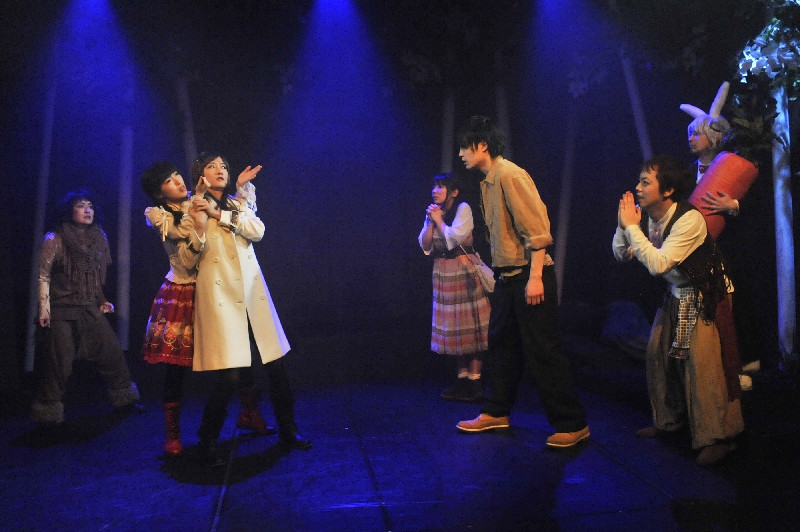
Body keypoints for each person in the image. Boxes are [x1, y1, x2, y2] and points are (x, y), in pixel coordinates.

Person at [454, 116, 589, 448]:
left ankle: (572, 424)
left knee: (543, 351)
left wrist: (536, 277)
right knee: (501, 348)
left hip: (530, 274)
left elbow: (537, 230)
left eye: (465, 147)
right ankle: (496, 411)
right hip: (508, 278)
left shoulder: (510, 175)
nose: (460, 154)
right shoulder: (488, 181)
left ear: (482, 145)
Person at [612, 155, 744, 466]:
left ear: (668, 190)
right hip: (676, 293)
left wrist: (631, 228)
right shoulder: (648, 217)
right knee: (657, 354)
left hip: (704, 295)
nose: (638, 187)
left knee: (703, 367)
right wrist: (623, 226)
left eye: (646, 182)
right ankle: (669, 422)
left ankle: (719, 438)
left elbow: (658, 264)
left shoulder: (688, 220)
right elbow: (621, 255)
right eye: (640, 180)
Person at [140, 161, 274, 457]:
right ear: (159, 192)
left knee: (239, 354)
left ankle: (249, 412)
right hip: (183, 291)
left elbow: (237, 212)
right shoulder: (158, 214)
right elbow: (182, 234)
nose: (178, 181)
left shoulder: (198, 199)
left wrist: (241, 188)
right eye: (168, 180)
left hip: (214, 287)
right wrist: (198, 206)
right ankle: (173, 433)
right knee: (177, 366)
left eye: (177, 175)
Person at [190, 151, 311, 466]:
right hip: (222, 298)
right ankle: (207, 440)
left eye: (223, 165)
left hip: (251, 292)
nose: (220, 169)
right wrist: (203, 214)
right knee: (229, 376)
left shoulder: (235, 204)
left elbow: (257, 231)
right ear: (200, 174)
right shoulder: (194, 206)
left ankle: (289, 430)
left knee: (276, 366)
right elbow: (190, 255)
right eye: (212, 166)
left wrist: (222, 212)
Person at [32, 190, 144, 426]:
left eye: (90, 206)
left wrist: (102, 299)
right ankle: (48, 413)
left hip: (89, 306)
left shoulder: (98, 238)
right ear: (68, 211)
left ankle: (124, 398)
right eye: (81, 205)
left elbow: (94, 277)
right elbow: (43, 275)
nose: (87, 210)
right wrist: (44, 309)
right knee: (60, 362)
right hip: (62, 309)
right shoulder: (55, 239)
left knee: (111, 352)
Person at [682, 82, 760, 390]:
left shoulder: (733, 168)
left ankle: (739, 365)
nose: (691, 138)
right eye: (690, 133)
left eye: (696, 134)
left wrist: (733, 205)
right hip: (694, 253)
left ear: (715, 136)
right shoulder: (684, 174)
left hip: (728, 250)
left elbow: (758, 208)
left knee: (731, 306)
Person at [419, 173, 490, 403]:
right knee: (455, 328)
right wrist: (431, 221)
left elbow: (453, 240)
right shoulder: (435, 212)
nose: (435, 190)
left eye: (441, 187)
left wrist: (439, 220)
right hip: (444, 273)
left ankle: (475, 382)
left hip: (464, 271)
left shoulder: (463, 209)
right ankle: (461, 380)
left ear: (454, 191)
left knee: (470, 326)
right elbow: (425, 246)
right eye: (434, 186)